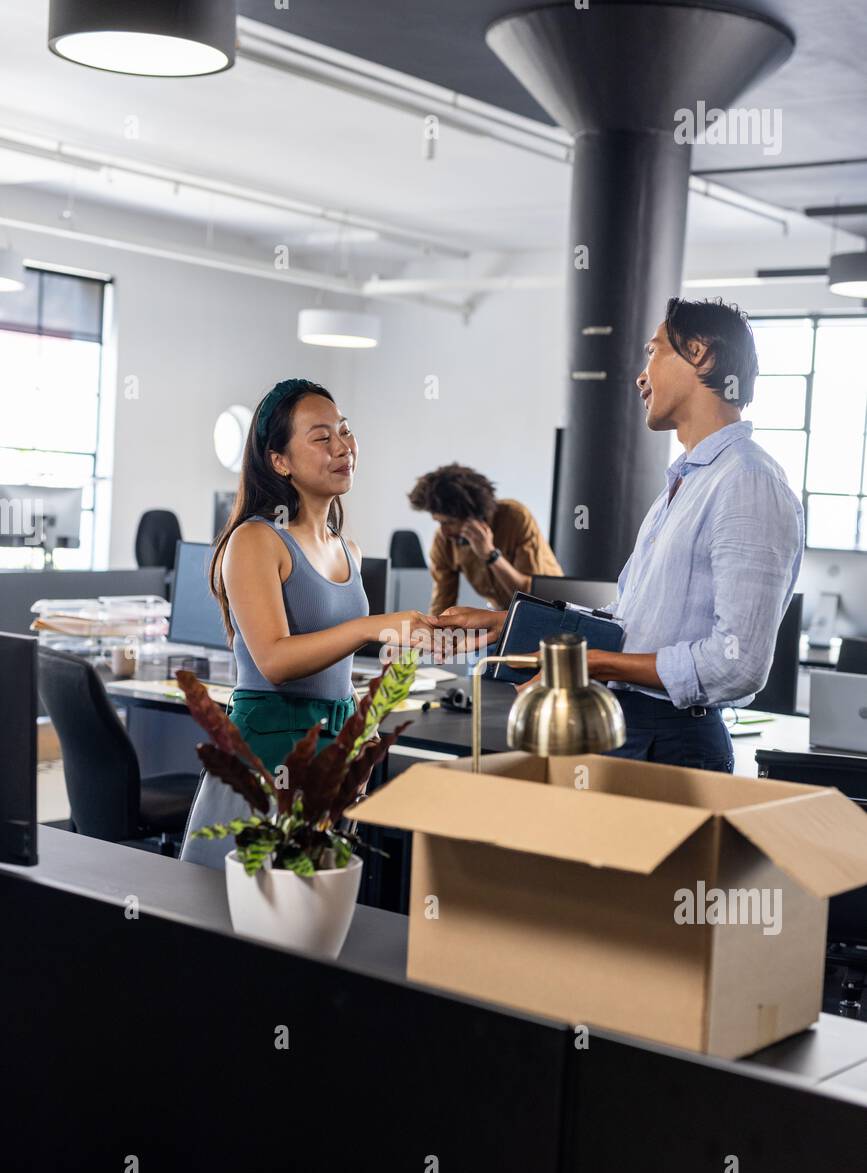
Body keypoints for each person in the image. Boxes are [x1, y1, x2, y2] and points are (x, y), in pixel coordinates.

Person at [435, 299, 804, 773]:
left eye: (654, 352)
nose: (641, 376)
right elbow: (626, 624)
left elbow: (737, 665)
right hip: (627, 728)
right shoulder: (687, 483)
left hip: (673, 740)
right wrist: (512, 625)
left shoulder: (748, 482)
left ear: (700, 354)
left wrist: (592, 663)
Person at [180, 377, 433, 868]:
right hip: (270, 745)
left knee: (307, 918)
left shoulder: (347, 548)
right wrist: (370, 627)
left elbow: (330, 673)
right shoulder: (256, 541)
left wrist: (359, 726)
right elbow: (274, 660)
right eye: (321, 438)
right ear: (280, 461)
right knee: (238, 917)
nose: (343, 447)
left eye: (345, 431)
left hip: (329, 748)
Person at [407, 462, 562, 615]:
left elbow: (532, 598)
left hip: (554, 610)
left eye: (450, 523)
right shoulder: (443, 541)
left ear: (475, 517)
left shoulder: (514, 518)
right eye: (439, 522)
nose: (444, 531)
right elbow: (442, 603)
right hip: (505, 615)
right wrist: (433, 635)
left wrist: (491, 556)